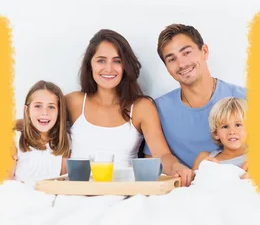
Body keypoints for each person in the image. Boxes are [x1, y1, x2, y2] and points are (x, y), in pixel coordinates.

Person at [65, 29, 194, 186]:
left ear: (125, 66)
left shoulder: (141, 107)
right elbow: (38, 123)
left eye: (117, 61)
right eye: (101, 60)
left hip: (124, 193)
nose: (109, 69)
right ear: (90, 65)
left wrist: (176, 166)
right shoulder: (74, 102)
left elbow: (161, 154)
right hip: (76, 191)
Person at [143, 24, 247, 169]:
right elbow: (152, 162)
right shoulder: (157, 110)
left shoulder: (246, 99)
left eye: (186, 53)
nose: (182, 64)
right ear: (167, 68)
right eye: (171, 59)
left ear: (204, 51)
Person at [10, 80, 71, 183]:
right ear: (27, 110)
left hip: (52, 196)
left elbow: (63, 180)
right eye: (38, 106)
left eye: (51, 107)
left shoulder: (65, 140)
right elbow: (6, 182)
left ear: (59, 112)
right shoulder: (14, 139)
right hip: (22, 196)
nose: (44, 113)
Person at [192, 97, 248, 179]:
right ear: (216, 133)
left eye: (238, 125)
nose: (232, 131)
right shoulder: (205, 158)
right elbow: (192, 186)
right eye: (225, 126)